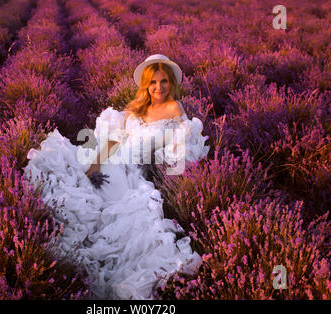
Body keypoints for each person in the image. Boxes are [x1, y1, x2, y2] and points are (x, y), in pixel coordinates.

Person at [24, 54, 210, 300]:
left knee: (109, 207)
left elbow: (186, 144)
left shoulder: (174, 108)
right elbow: (115, 140)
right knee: (78, 177)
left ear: (171, 83)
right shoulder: (136, 109)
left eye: (163, 81)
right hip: (113, 158)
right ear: (146, 84)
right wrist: (95, 163)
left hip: (133, 169)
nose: (158, 87)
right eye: (153, 82)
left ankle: (89, 249)